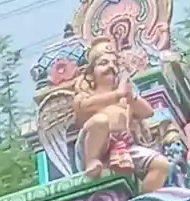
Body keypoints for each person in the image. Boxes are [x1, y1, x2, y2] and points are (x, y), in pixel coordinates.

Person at [72, 40, 173, 192]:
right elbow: (85, 107)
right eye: (103, 63)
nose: (110, 67)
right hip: (94, 146)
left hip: (123, 146)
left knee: (161, 165)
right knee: (100, 121)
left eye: (114, 63)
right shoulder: (85, 96)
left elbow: (148, 112)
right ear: (91, 74)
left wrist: (130, 96)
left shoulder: (124, 98)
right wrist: (117, 94)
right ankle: (92, 161)